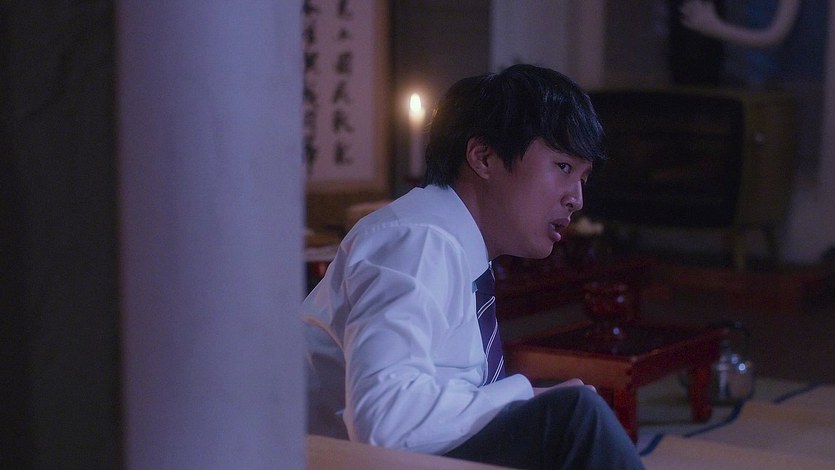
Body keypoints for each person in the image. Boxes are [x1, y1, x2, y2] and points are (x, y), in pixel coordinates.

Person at [302, 64, 644, 469]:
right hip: (331, 461)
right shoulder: (418, 240)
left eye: (583, 178)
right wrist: (522, 396)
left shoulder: (454, 244)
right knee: (575, 416)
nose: (576, 199)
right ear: (483, 157)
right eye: (563, 167)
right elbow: (384, 420)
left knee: (567, 413)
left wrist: (523, 401)